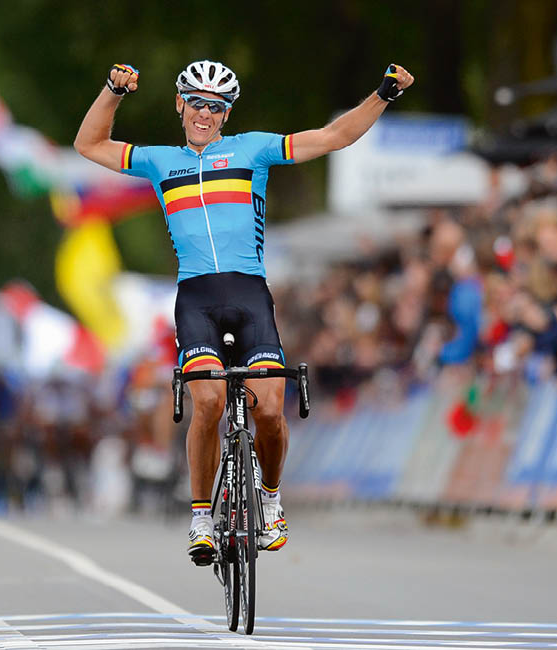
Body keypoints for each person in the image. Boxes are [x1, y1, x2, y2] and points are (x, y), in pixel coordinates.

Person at [74, 59, 414, 564]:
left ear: (227, 114)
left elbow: (334, 137)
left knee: (271, 411)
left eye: (216, 107)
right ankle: (201, 518)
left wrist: (383, 94)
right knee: (209, 404)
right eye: (196, 103)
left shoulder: (252, 149)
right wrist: (112, 91)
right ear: (179, 104)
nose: (205, 113)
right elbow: (89, 144)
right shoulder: (158, 161)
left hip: (250, 294)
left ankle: (271, 501)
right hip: (196, 299)